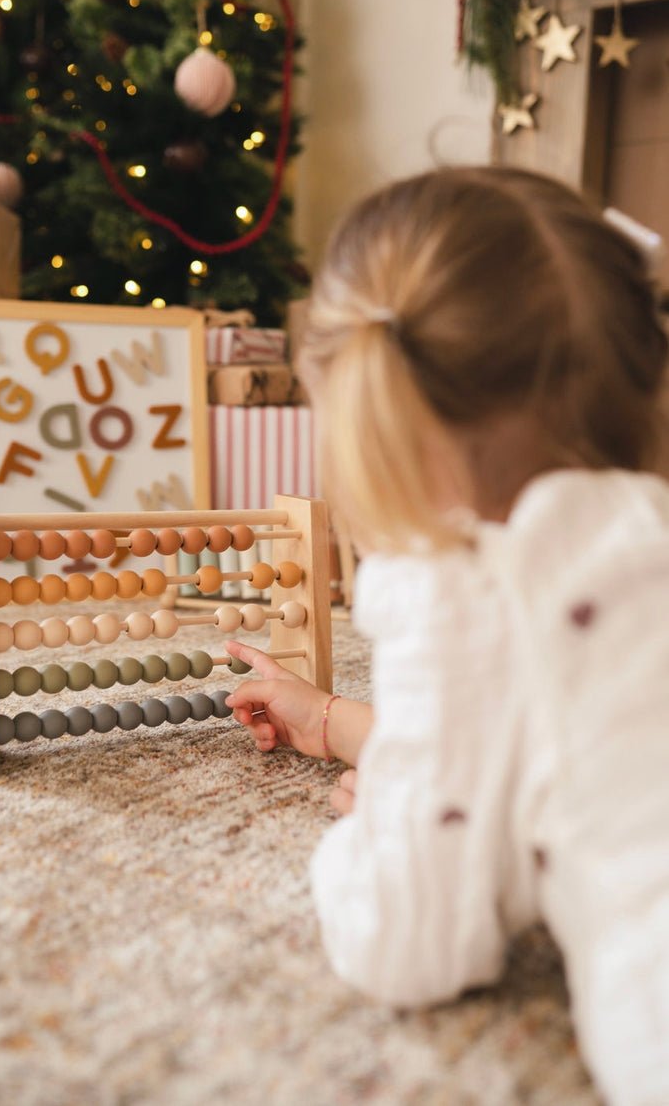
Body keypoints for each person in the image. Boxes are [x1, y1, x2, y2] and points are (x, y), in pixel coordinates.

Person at [224, 166, 669, 1106]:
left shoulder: (460, 582)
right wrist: (337, 721)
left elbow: (410, 939)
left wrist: (386, 827)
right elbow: (575, 734)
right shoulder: (630, 541)